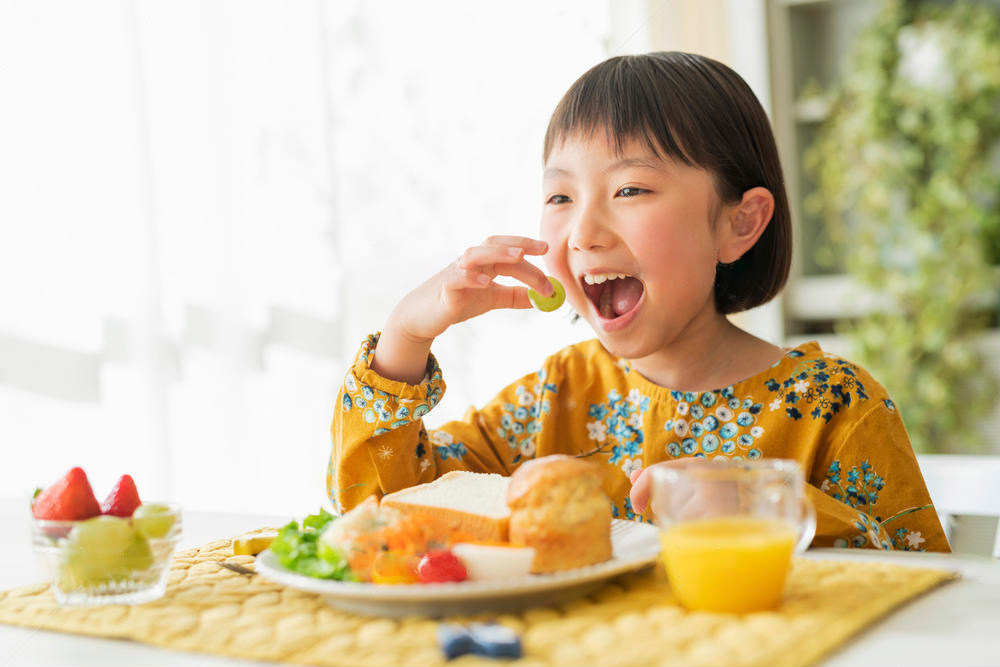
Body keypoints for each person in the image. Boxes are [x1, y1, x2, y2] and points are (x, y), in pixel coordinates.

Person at [328, 52, 949, 552]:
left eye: (629, 188)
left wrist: (773, 509)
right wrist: (404, 338)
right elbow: (381, 519)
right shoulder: (556, 396)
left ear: (739, 224)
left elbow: (932, 598)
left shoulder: (835, 409)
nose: (582, 233)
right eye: (560, 198)